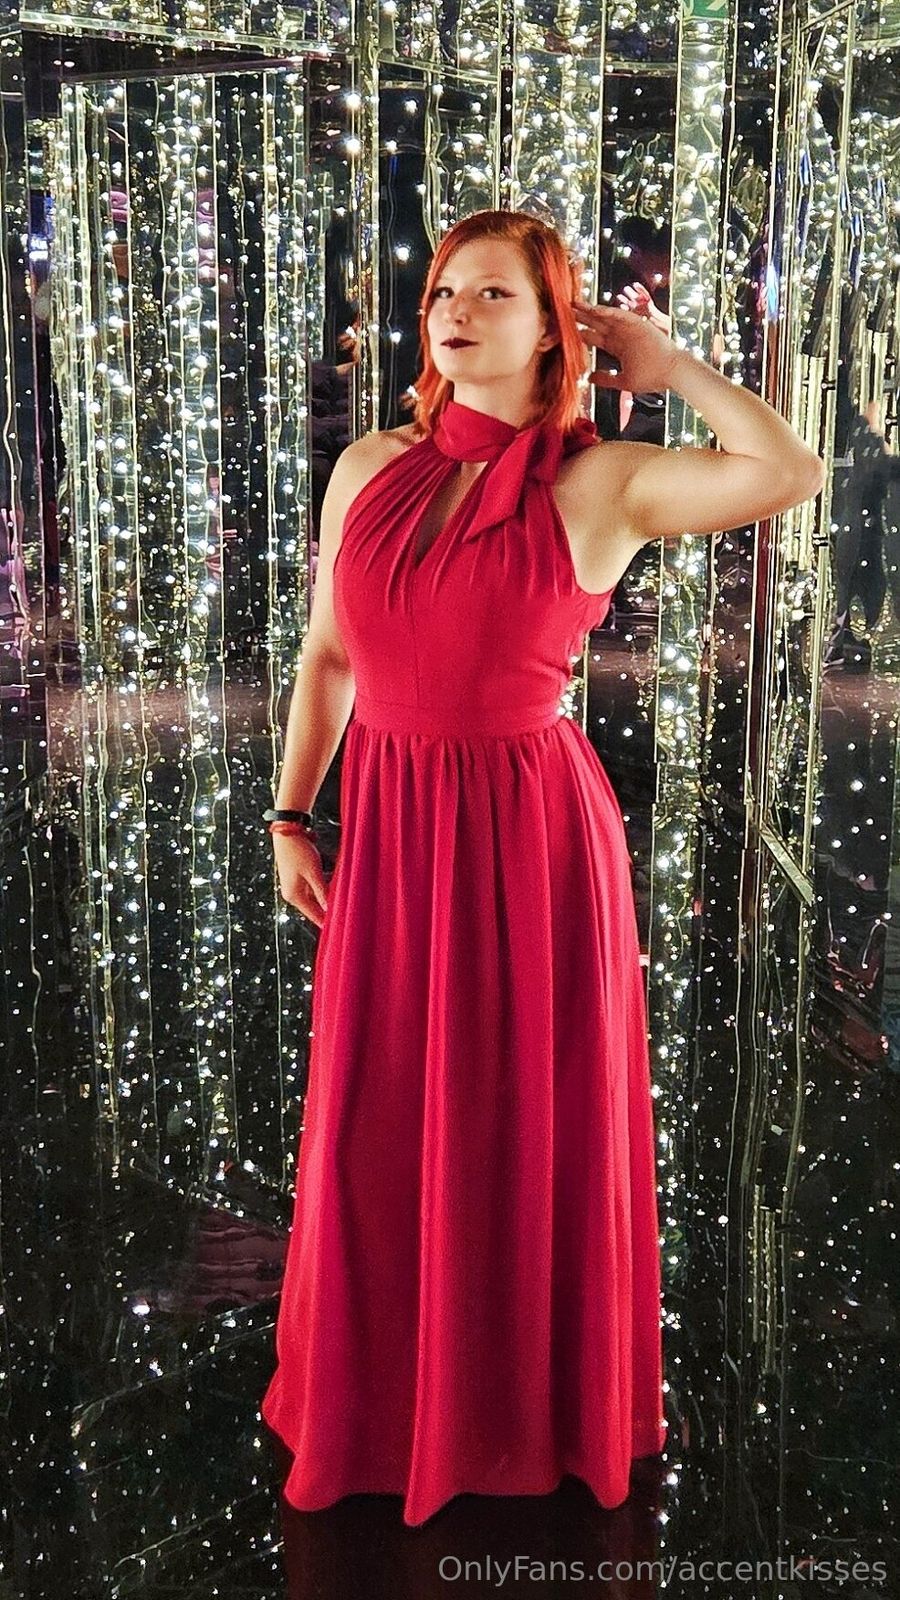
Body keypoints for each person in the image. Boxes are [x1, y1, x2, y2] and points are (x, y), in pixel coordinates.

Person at [260, 209, 824, 1527]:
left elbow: (789, 471)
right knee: (381, 1118)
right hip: (393, 825)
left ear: (555, 323)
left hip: (530, 839)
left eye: (493, 293)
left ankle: (520, 1411)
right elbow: (330, 657)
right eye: (443, 292)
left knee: (518, 1121)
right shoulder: (368, 467)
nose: (454, 312)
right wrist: (291, 815)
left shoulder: (603, 480)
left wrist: (671, 367)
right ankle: (388, 1402)